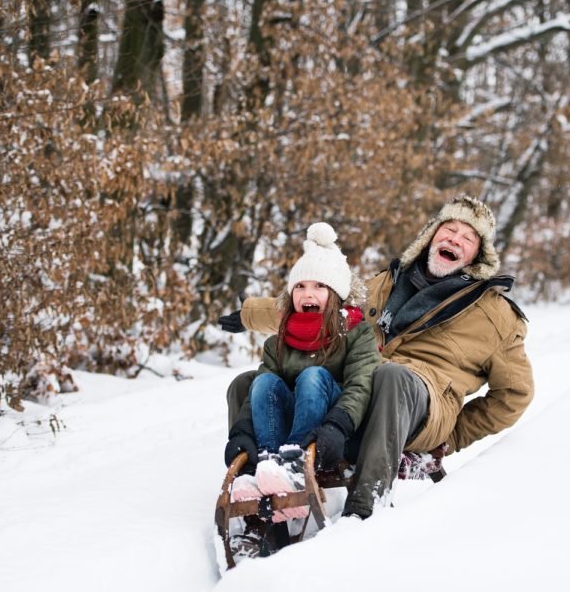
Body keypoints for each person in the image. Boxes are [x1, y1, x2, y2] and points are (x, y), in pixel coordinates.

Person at [220, 196, 534, 519]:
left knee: (391, 376)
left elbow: (515, 394)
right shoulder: (388, 283)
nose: (455, 238)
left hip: (421, 406)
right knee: (250, 384)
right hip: (360, 391)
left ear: (477, 255)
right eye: (449, 229)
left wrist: (454, 435)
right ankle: (257, 496)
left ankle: (365, 506)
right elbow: (322, 308)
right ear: (432, 235)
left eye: (468, 237)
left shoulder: (495, 315)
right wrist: (248, 314)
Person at [223, 222, 380, 521]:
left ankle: (292, 464)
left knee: (313, 376)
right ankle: (268, 465)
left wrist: (338, 425)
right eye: (300, 286)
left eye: (320, 286)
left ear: (335, 295)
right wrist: (241, 432)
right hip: (287, 421)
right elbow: (262, 392)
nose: (309, 293)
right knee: (265, 381)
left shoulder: (357, 334)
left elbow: (362, 385)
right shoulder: (277, 342)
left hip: (334, 431)